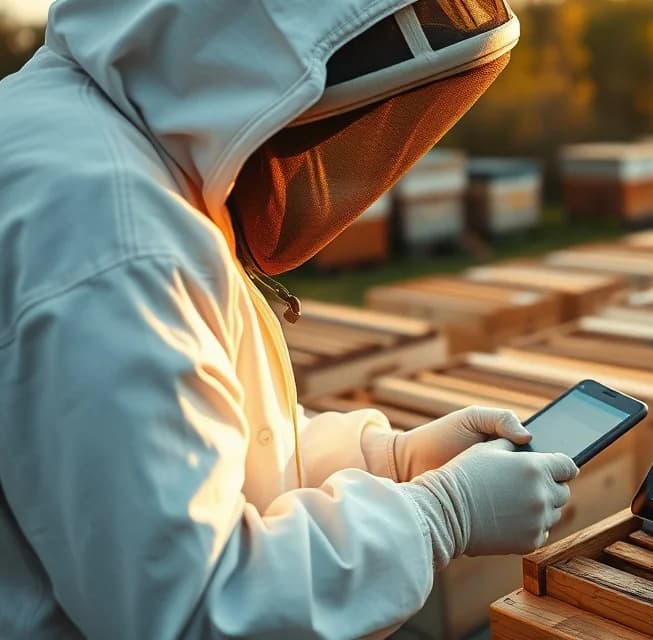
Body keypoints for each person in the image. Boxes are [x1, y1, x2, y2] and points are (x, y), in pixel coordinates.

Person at [0, 0, 578, 637]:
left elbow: (218, 443)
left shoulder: (97, 140)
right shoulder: (115, 242)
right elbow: (199, 610)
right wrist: (440, 513)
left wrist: (392, 459)